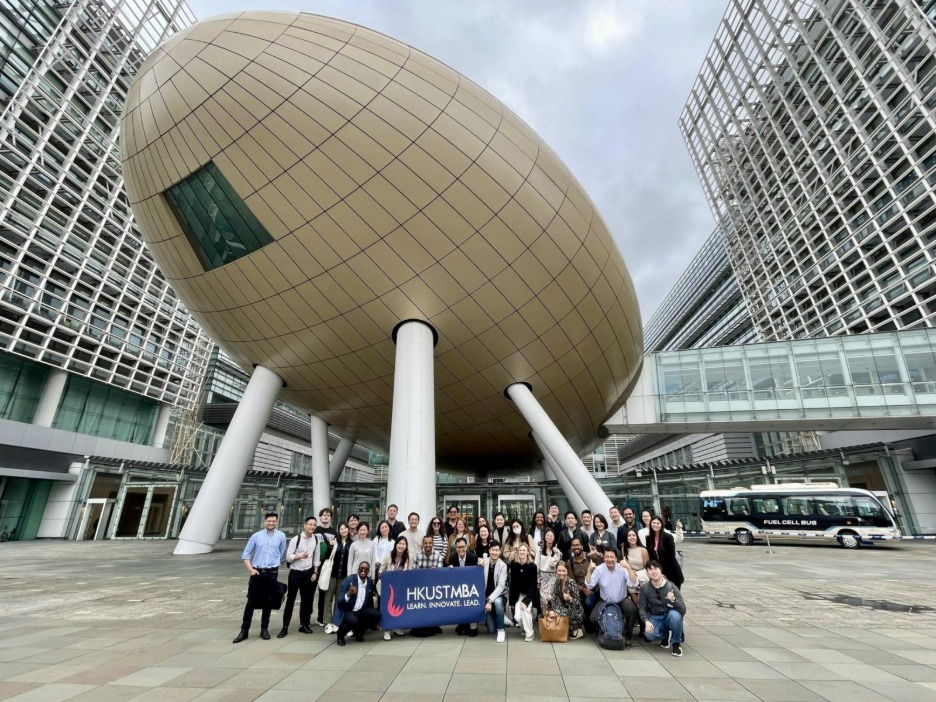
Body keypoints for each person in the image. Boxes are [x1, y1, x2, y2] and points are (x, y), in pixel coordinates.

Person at [233, 512, 286, 643]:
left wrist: (274, 565)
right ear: (264, 522)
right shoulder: (256, 536)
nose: (271, 523)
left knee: (268, 601)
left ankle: (264, 629)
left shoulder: (281, 536)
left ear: (276, 522)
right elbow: (246, 554)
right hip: (257, 573)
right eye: (269, 521)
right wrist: (251, 570)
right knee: (251, 602)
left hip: (272, 573)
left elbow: (281, 555)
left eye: (273, 521)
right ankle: (244, 630)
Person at [585, 548, 639, 647]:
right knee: (593, 617)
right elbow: (589, 585)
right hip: (605, 600)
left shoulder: (622, 568)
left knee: (631, 610)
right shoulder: (599, 569)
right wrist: (589, 570)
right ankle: (604, 632)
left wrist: (628, 567)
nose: (609, 559)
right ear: (603, 558)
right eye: (607, 557)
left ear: (616, 558)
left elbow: (634, 583)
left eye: (612, 557)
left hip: (621, 599)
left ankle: (627, 636)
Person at [278, 515, 320, 638]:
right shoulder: (295, 539)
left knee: (306, 600)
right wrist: (299, 556)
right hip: (295, 573)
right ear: (305, 525)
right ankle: (285, 627)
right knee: (290, 600)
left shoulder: (316, 539)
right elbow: (288, 557)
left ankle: (304, 625)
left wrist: (315, 572)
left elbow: (316, 558)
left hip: (308, 573)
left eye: (314, 525)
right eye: (310, 524)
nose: (312, 527)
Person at [639, 560, 686, 657]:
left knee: (675, 616)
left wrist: (673, 600)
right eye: (650, 569)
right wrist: (646, 621)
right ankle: (665, 635)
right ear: (647, 572)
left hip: (670, 615)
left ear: (660, 570)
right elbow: (642, 607)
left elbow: (683, 609)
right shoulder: (645, 588)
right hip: (656, 616)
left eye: (656, 568)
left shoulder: (671, 586)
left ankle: (676, 644)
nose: (653, 571)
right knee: (649, 634)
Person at [334, 561, 379, 646]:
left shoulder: (369, 582)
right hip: (347, 610)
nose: (363, 570)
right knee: (353, 621)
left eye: (366, 569)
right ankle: (340, 635)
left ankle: (359, 633)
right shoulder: (348, 580)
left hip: (360, 609)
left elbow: (369, 601)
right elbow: (339, 603)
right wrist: (349, 593)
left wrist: (373, 622)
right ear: (358, 569)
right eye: (361, 568)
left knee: (375, 614)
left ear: (368, 571)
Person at [319, 521, 352, 633]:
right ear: (338, 531)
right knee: (328, 598)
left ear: (348, 529)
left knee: (339, 599)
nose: (344, 530)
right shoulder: (334, 541)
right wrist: (330, 546)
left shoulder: (351, 543)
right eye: (341, 529)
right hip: (332, 574)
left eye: (345, 528)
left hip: (343, 576)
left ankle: (336, 621)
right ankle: (328, 622)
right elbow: (326, 556)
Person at [379, 535, 411, 640]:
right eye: (399, 543)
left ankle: (396, 627)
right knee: (388, 608)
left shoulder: (408, 557)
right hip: (389, 588)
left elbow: (410, 571)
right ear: (396, 544)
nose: (401, 546)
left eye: (403, 544)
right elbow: (381, 571)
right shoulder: (389, 556)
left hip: (400, 587)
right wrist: (382, 575)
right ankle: (387, 630)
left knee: (398, 608)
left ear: (406, 546)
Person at [448, 536, 480, 636]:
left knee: (471, 602)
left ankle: (473, 625)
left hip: (471, 586)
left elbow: (476, 575)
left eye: (462, 547)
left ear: (466, 547)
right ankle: (462, 623)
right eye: (458, 547)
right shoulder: (452, 557)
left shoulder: (473, 557)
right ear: (455, 548)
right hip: (458, 587)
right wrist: (450, 570)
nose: (460, 549)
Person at [566, 537, 600, 629]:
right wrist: (583, 589)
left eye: (577, 545)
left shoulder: (590, 556)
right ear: (571, 547)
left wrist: (597, 553)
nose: (575, 547)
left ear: (581, 546)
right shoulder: (570, 562)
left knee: (589, 602)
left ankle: (594, 621)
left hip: (594, 589)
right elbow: (571, 581)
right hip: (580, 591)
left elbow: (604, 560)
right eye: (573, 545)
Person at [509, 543, 539, 642]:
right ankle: (524, 629)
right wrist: (512, 602)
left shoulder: (532, 566)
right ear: (517, 552)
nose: (522, 552)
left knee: (525, 609)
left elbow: (533, 586)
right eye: (520, 550)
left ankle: (530, 633)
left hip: (529, 595)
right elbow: (513, 584)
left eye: (524, 550)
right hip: (518, 595)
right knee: (517, 617)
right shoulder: (514, 565)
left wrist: (526, 601)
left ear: (528, 552)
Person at [549, 560, 585, 639]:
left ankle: (576, 629)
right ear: (556, 571)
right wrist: (551, 600)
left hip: (575, 610)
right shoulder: (557, 582)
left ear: (567, 571)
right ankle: (567, 628)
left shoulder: (571, 582)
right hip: (564, 608)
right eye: (559, 570)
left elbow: (578, 602)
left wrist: (570, 598)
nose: (561, 573)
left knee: (556, 612)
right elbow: (555, 598)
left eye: (563, 571)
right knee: (551, 611)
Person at [646, 515, 684, 588]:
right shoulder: (648, 538)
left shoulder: (668, 537)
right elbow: (651, 557)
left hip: (672, 572)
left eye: (658, 523)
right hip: (658, 573)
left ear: (661, 525)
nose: (656, 525)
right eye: (654, 523)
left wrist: (662, 573)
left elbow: (671, 558)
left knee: (672, 594)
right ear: (650, 524)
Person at [482, 541, 508, 642]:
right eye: (492, 550)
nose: (494, 552)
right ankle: (502, 618)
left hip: (500, 596)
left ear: (500, 552)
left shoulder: (503, 565)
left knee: (497, 603)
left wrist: (490, 601)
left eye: (497, 550)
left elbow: (501, 586)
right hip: (486, 596)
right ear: (489, 550)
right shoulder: (484, 562)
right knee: (491, 630)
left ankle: (501, 630)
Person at [536, 528, 561, 612]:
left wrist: (556, 553)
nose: (549, 537)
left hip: (553, 576)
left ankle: (554, 617)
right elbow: (537, 565)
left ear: (554, 538)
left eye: (551, 536)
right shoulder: (540, 549)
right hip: (542, 576)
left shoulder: (557, 551)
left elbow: (552, 564)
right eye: (547, 535)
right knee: (543, 600)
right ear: (544, 537)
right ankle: (545, 617)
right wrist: (538, 579)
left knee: (552, 598)